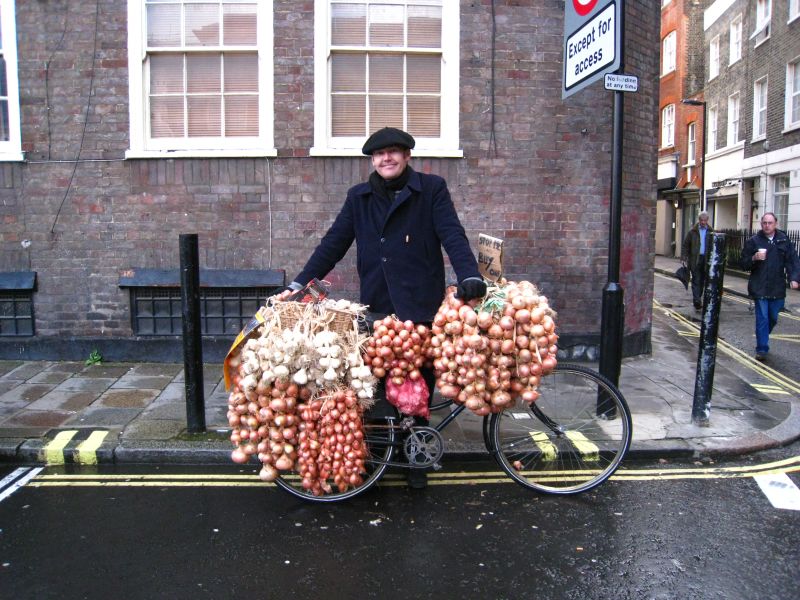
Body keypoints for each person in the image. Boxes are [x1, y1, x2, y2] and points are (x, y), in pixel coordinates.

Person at [287, 127, 487, 488]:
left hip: (419, 303)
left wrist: (470, 274)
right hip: (377, 302)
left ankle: (416, 460)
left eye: (394, 152)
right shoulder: (359, 197)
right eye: (379, 155)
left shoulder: (431, 190)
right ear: (372, 160)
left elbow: (452, 234)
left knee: (418, 386)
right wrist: (301, 283)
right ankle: (379, 455)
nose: (386, 159)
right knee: (377, 384)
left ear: (407, 156)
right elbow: (333, 243)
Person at [739, 212, 800, 361]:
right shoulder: (754, 241)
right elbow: (743, 263)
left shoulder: (783, 240)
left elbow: (793, 261)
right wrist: (754, 258)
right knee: (763, 318)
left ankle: (763, 335)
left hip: (777, 287)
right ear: (761, 224)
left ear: (776, 224)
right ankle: (762, 349)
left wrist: (794, 278)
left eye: (770, 223)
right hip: (759, 286)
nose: (767, 225)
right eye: (764, 223)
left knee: (772, 318)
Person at [681, 211, 713, 310]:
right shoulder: (692, 232)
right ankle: (697, 300)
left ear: (707, 220)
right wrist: (684, 258)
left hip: (706, 259)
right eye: (701, 220)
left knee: (702, 281)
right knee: (696, 280)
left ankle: (698, 298)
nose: (703, 222)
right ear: (699, 220)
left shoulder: (711, 232)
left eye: (705, 220)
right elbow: (685, 246)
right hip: (695, 259)